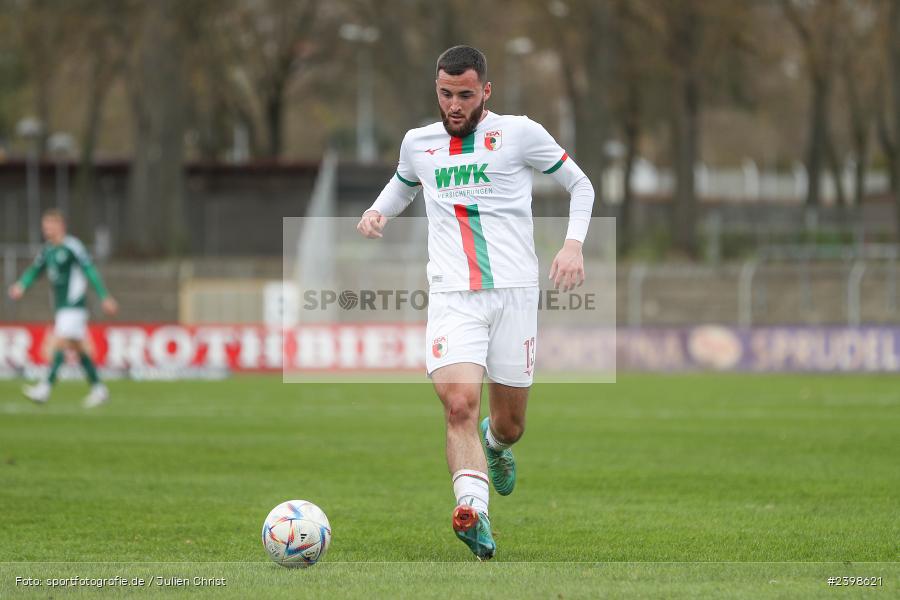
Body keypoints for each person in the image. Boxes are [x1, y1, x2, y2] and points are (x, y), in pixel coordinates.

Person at [357, 45, 594, 560]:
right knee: (459, 403)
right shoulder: (418, 144)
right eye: (446, 94)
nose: (455, 105)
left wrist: (573, 244)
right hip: (452, 295)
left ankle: (497, 445)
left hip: (514, 295)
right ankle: (473, 511)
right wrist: (378, 212)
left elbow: (581, 185)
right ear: (436, 91)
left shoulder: (520, 133)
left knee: (510, 423)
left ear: (486, 91)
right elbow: (403, 186)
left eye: (465, 94)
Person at [7, 209, 118, 407]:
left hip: (73, 305)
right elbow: (35, 270)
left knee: (58, 342)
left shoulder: (72, 246)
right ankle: (99, 390)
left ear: (61, 226)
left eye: (50, 225)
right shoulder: (48, 250)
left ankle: (44, 389)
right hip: (60, 306)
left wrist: (104, 296)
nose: (47, 229)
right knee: (78, 348)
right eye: (45, 225)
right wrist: (21, 285)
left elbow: (89, 270)